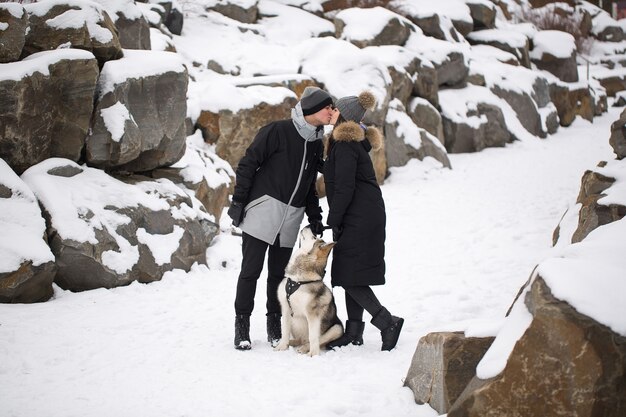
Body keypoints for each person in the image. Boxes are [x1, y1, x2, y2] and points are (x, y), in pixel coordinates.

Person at [227, 86, 334, 350]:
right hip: (262, 212)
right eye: (327, 108)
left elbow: (309, 185)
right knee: (250, 272)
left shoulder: (316, 144)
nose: (331, 112)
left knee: (277, 276)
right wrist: (240, 201)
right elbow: (248, 164)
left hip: (290, 220)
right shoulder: (277, 131)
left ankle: (275, 326)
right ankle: (242, 327)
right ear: (311, 110)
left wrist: (314, 215)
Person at [322, 91, 404, 351]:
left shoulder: (345, 145)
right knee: (351, 274)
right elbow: (341, 178)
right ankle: (354, 332)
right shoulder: (346, 144)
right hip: (362, 214)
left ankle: (387, 322)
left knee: (349, 275)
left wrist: (332, 218)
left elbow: (344, 187)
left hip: (358, 216)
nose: (331, 111)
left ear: (343, 116)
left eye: (335, 109)